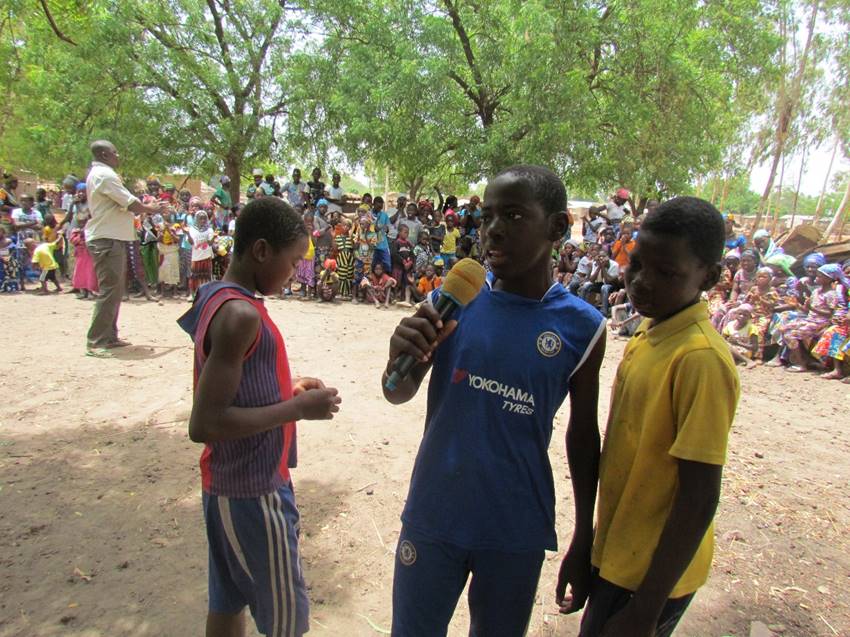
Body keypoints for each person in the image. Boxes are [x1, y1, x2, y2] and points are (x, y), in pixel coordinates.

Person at [384, 165, 606, 636]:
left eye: (514, 215)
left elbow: (583, 436)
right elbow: (396, 392)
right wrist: (397, 358)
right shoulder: (456, 299)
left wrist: (585, 533)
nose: (494, 230)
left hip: (514, 526)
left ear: (558, 228)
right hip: (435, 509)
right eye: (487, 217)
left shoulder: (583, 327)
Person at [176, 197, 341, 637]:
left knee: (228, 602)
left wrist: (289, 387)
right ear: (262, 251)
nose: (294, 275)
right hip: (253, 492)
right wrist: (296, 409)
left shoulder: (220, 298)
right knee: (285, 620)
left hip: (228, 488)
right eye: (292, 263)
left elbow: (237, 385)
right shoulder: (240, 314)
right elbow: (205, 423)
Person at [576, 196, 739, 637]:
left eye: (666, 273)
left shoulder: (700, 360)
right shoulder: (650, 333)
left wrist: (646, 609)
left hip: (650, 577)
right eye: (637, 264)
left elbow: (700, 495)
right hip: (621, 554)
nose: (642, 282)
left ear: (710, 277)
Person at [85, 140, 166, 357]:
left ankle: (109, 336)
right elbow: (130, 203)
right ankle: (97, 341)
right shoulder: (105, 175)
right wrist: (151, 208)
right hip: (106, 238)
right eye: (114, 152)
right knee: (110, 289)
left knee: (116, 289)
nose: (117, 155)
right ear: (103, 154)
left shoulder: (104, 174)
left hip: (112, 238)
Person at [578, 251, 620, 317]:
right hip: (600, 283)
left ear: (608, 257)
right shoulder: (596, 263)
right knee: (586, 285)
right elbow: (591, 280)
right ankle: (581, 307)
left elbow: (608, 281)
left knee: (604, 287)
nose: (601, 258)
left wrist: (603, 267)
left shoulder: (614, 265)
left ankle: (604, 311)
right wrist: (599, 267)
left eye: (603, 256)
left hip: (612, 286)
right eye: (600, 257)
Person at [187, 211, 215, 299]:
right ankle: (192, 295)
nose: (203, 220)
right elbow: (191, 242)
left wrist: (213, 236)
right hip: (196, 256)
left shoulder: (209, 229)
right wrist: (187, 234)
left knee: (206, 275)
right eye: (200, 218)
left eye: (204, 218)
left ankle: (205, 294)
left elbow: (210, 243)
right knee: (194, 275)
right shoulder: (192, 229)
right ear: (196, 219)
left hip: (206, 256)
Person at [70, 214, 98, 299]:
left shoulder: (91, 230)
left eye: (84, 223)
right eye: (80, 223)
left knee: (90, 273)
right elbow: (72, 241)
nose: (82, 225)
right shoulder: (76, 232)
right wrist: (80, 236)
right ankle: (83, 291)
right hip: (81, 255)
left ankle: (90, 291)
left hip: (89, 255)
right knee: (80, 273)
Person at [333, 218, 355, 299]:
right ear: (341, 226)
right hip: (341, 257)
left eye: (348, 226)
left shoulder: (352, 237)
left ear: (350, 228)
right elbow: (335, 249)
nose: (346, 227)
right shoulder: (337, 237)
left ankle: (348, 293)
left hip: (350, 258)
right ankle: (341, 293)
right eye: (344, 225)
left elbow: (354, 247)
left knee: (349, 275)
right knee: (342, 275)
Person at [371, 196, 392, 272]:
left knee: (387, 265)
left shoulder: (384, 215)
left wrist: (386, 229)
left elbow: (387, 228)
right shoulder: (368, 214)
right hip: (371, 244)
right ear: (373, 204)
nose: (380, 208)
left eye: (381, 206)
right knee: (372, 265)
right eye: (378, 206)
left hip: (383, 244)